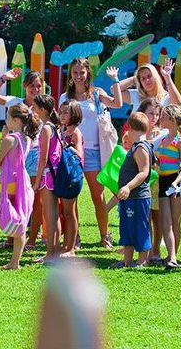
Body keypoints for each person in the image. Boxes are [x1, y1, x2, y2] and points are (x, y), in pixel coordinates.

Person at [58, 58, 123, 249]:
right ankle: (74, 237)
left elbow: (117, 104)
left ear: (88, 73)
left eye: (82, 72)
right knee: (71, 198)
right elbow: (61, 122)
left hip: (94, 151)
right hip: (71, 152)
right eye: (75, 72)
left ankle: (105, 235)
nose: (78, 76)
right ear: (71, 73)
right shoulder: (65, 98)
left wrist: (115, 80)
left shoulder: (96, 94)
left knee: (98, 196)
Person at [0, 68, 46, 250]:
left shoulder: (44, 106)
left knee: (34, 201)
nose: (35, 90)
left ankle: (30, 240)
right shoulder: (16, 103)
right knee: (13, 198)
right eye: (32, 86)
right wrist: (3, 78)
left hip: (34, 155)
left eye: (39, 86)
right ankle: (11, 237)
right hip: (17, 156)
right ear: (24, 86)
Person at [0, 103, 40, 271]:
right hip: (21, 186)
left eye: (7, 117)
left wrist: (2, 139)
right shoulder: (27, 138)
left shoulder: (10, 140)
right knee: (20, 225)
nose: (5, 120)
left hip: (5, 186)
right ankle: (15, 262)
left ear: (15, 120)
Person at [109, 112, 153, 269]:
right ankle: (127, 261)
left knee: (140, 228)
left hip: (138, 197)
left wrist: (128, 186)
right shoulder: (136, 146)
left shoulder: (141, 148)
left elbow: (144, 172)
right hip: (129, 198)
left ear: (130, 127)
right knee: (126, 228)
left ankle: (142, 261)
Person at [154, 104, 181, 269]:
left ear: (172, 120)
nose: (160, 119)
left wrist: (176, 183)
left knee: (175, 222)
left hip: (176, 183)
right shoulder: (163, 140)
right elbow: (160, 162)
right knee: (166, 222)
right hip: (163, 183)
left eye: (163, 117)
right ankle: (171, 256)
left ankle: (172, 257)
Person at [31, 94, 64, 262]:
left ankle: (51, 254)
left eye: (35, 107)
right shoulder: (53, 126)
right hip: (55, 173)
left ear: (42, 109)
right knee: (54, 214)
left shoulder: (45, 128)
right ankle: (53, 251)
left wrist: (36, 182)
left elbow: (43, 159)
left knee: (49, 215)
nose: (32, 110)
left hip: (47, 176)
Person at [57, 99, 84, 256]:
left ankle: (71, 247)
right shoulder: (61, 130)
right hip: (61, 174)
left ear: (74, 114)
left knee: (70, 212)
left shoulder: (75, 133)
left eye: (66, 112)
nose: (62, 115)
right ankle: (65, 245)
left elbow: (79, 154)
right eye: (61, 112)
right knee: (63, 213)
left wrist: (67, 147)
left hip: (71, 176)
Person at [117, 61, 181, 114]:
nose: (147, 80)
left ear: (156, 77)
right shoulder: (137, 95)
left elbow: (177, 102)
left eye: (149, 76)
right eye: (143, 79)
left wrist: (167, 77)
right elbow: (114, 90)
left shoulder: (166, 97)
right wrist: (135, 78)